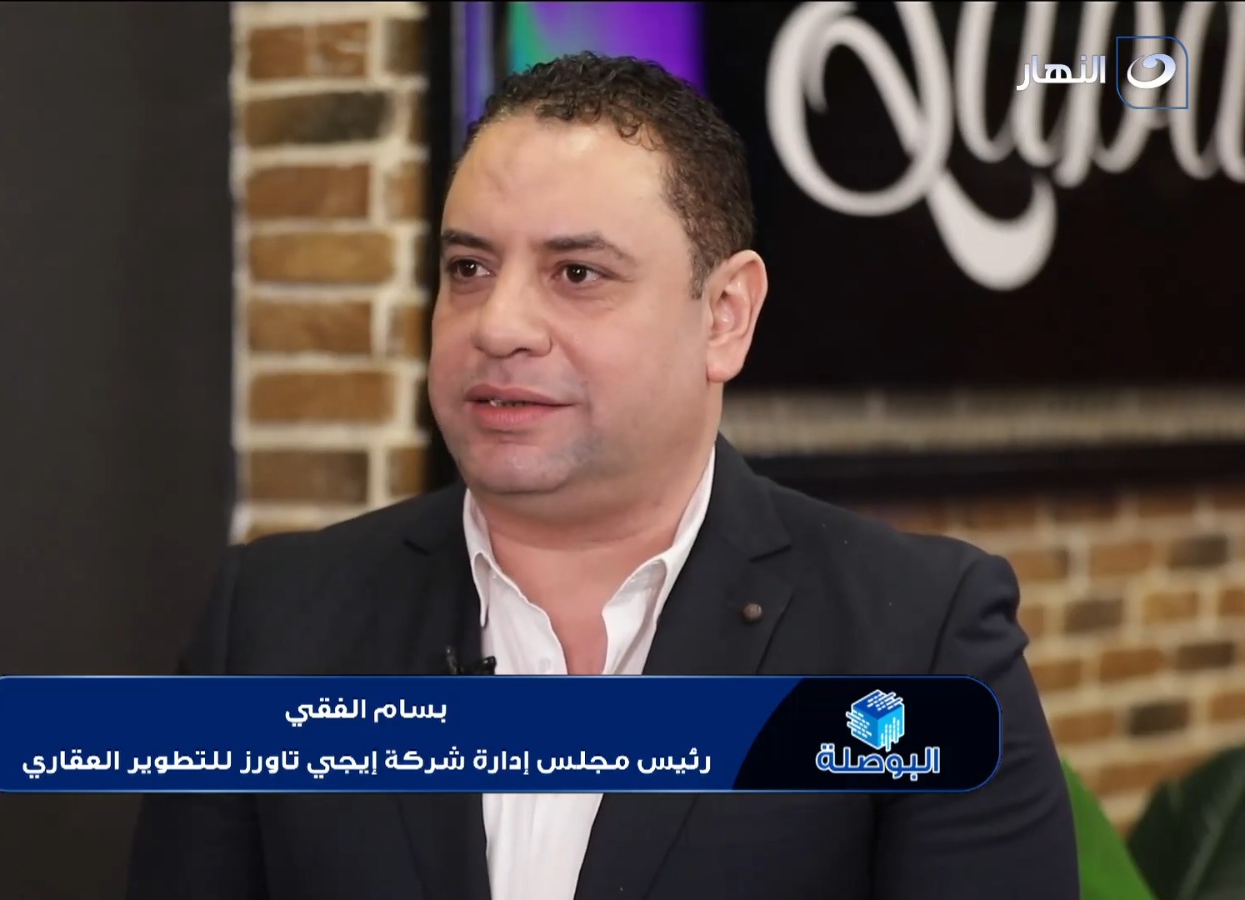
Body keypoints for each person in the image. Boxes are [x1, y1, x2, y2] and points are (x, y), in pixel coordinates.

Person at [127, 52, 1077, 900]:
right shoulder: (273, 625)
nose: (498, 325)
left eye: (576, 273)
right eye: (468, 268)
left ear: (725, 316)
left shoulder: (918, 638)